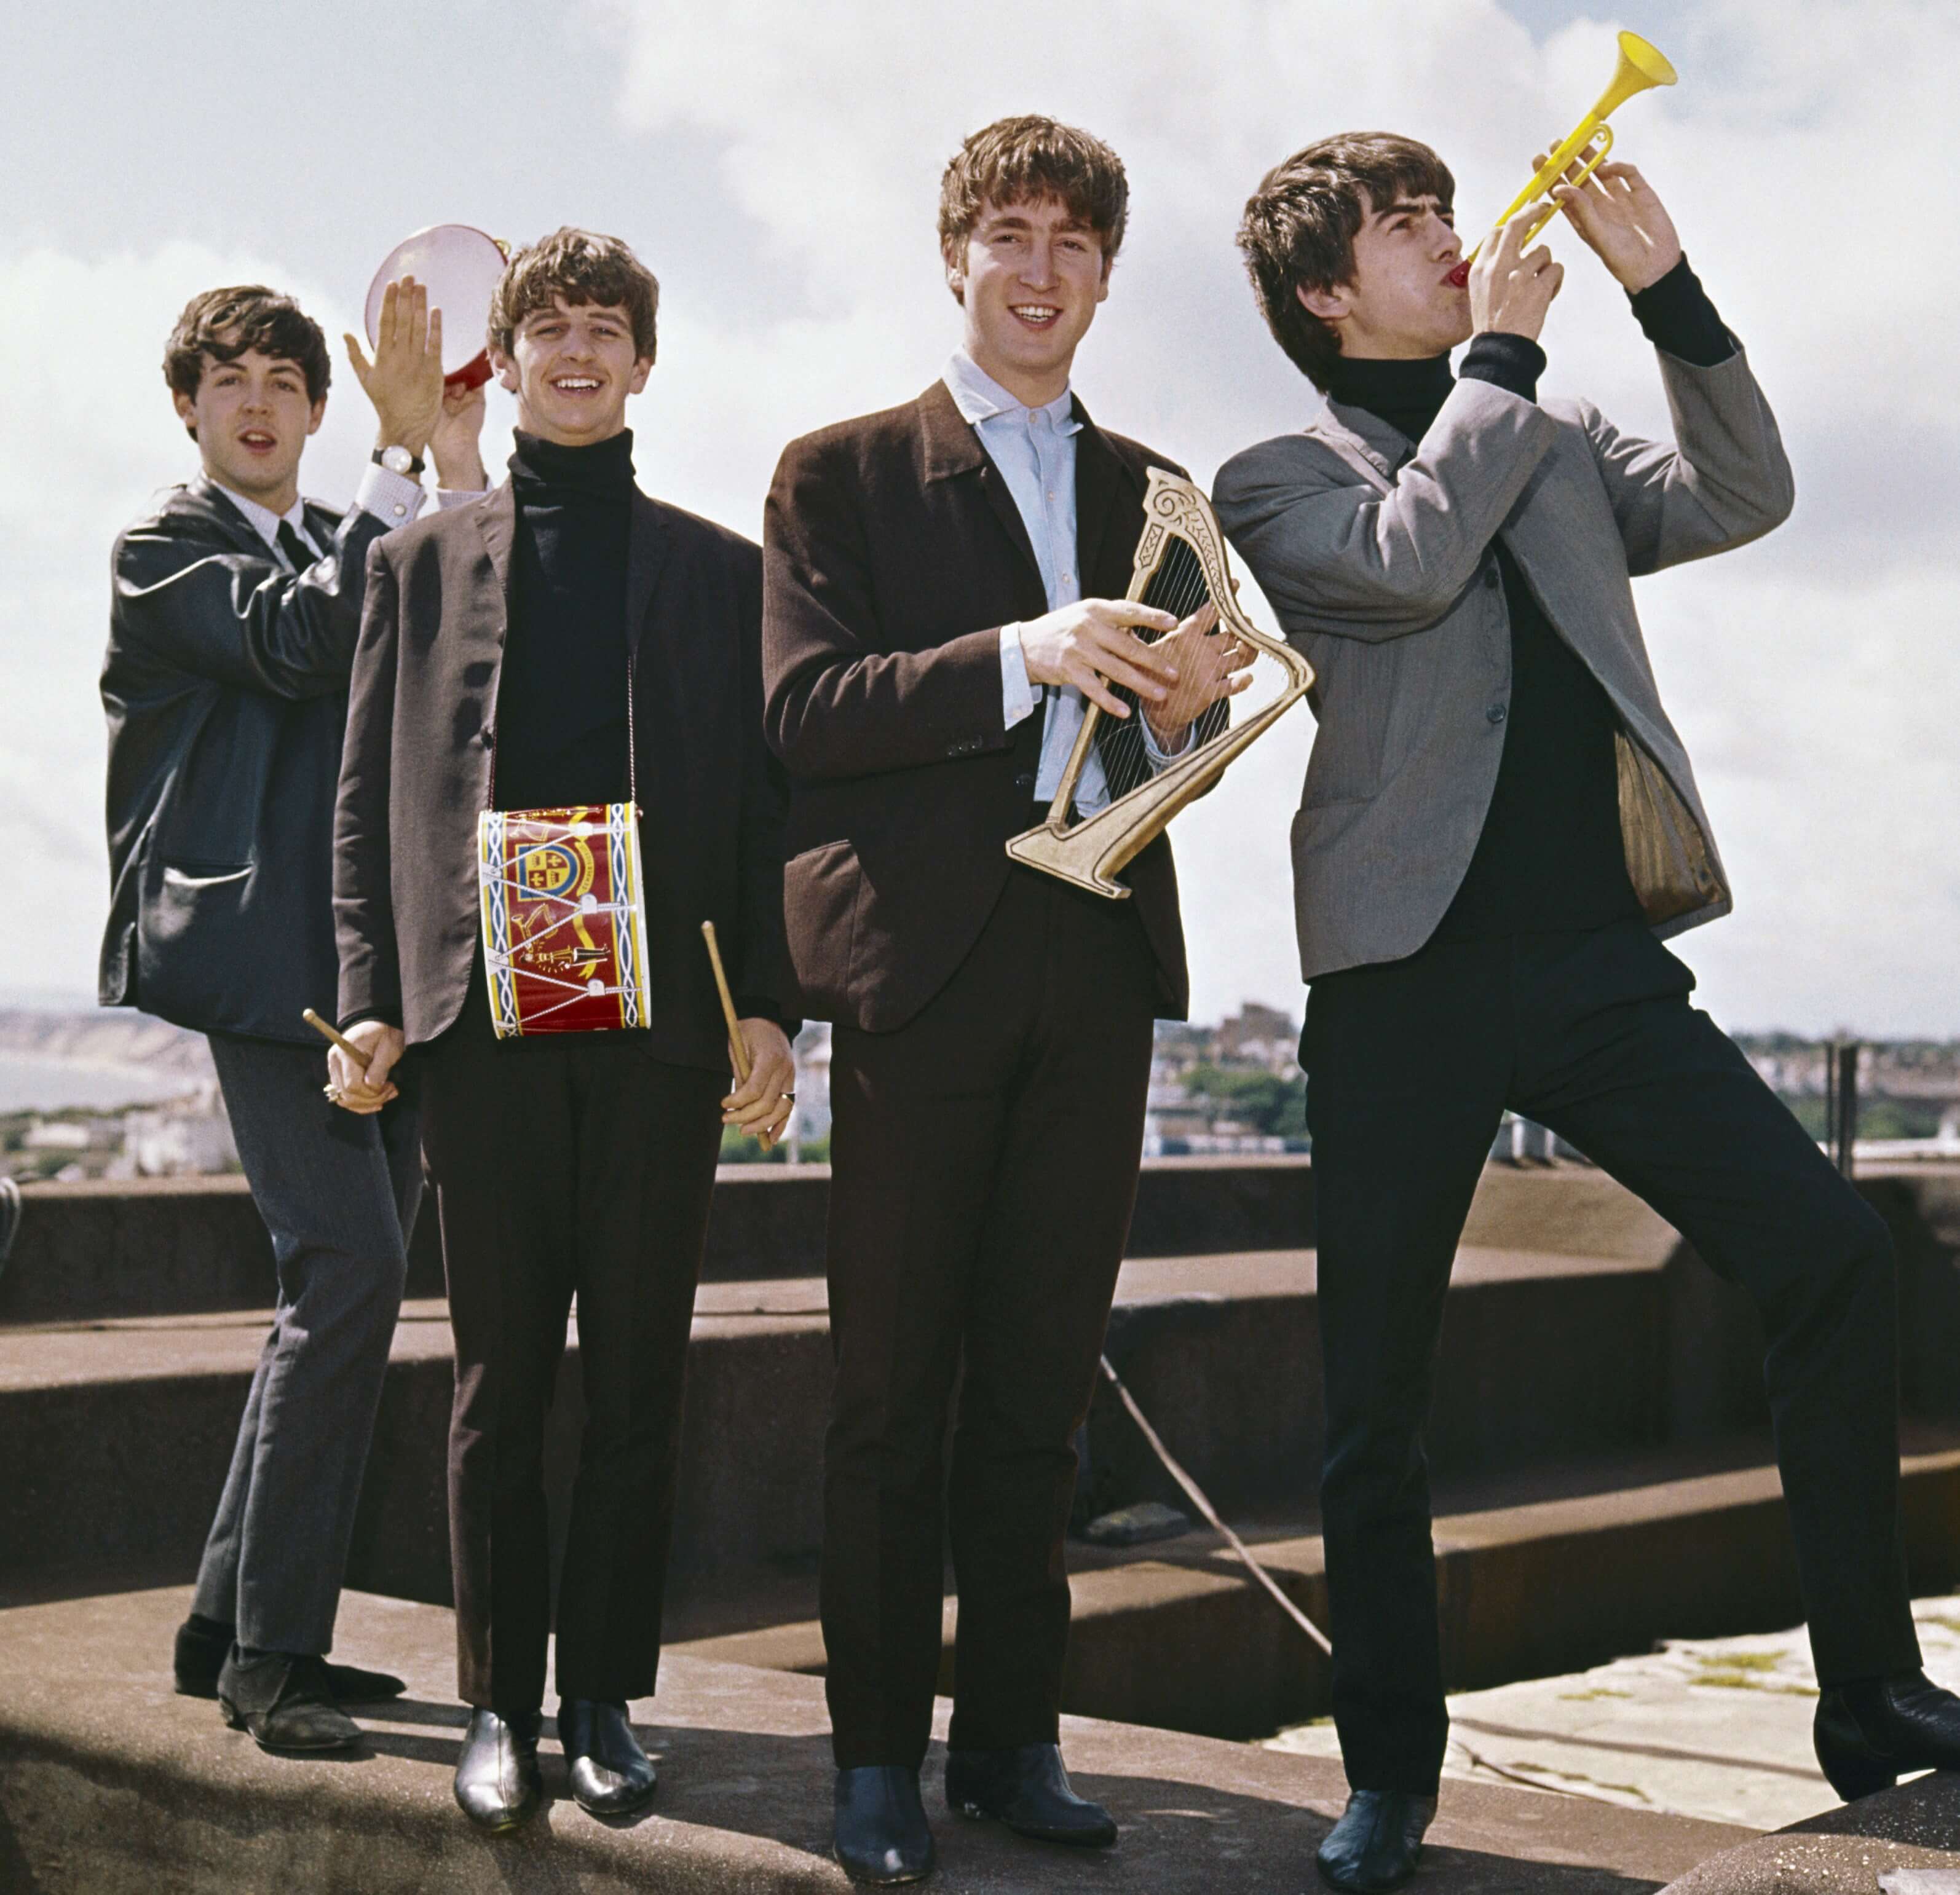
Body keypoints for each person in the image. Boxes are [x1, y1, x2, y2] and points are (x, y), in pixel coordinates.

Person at [1214, 133, 1960, 1890]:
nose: (1455, 240)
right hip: (1397, 978)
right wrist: (1500, 362)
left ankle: (1869, 1696)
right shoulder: (1272, 476)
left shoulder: (1541, 430)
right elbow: (1403, 564)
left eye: (1441, 213)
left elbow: (1738, 496)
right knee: (1370, 1398)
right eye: (1407, 229)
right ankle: (1387, 1769)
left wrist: (1668, 298)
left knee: (1827, 1255)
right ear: (1327, 294)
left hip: (1590, 960)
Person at [764, 115, 1248, 1885]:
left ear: (1108, 274)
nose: (1039, 268)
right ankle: (875, 1759)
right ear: (955, 254)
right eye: (1009, 234)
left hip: (1094, 958)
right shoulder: (836, 475)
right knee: (888, 1390)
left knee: (1040, 1388)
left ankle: (1012, 1744)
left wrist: (1196, 708)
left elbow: (1181, 741)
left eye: (1071, 242)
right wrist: (1013, 659)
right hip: (924, 972)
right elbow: (804, 713)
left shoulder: (1155, 486)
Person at [329, 227, 797, 1834]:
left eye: (607, 330)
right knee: (498, 1382)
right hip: (483, 1026)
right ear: (506, 359)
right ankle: (496, 1707)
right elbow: (361, 804)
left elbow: (759, 810)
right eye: (550, 330)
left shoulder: (721, 572)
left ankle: (602, 1702)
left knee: (639, 1381)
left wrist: (776, 1011)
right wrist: (375, 991)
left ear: (643, 363)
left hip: (661, 1027)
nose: (578, 353)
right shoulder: (416, 562)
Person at [101, 278, 487, 1751]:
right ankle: (274, 1659)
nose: (257, 401)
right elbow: (289, 640)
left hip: (365, 970)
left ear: (314, 409)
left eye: (282, 378)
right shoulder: (164, 547)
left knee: (332, 1291)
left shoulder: (356, 532)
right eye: (227, 380)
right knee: (348, 1272)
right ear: (189, 408)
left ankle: (222, 1627)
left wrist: (452, 455)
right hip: (259, 965)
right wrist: (395, 468)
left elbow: (468, 628)